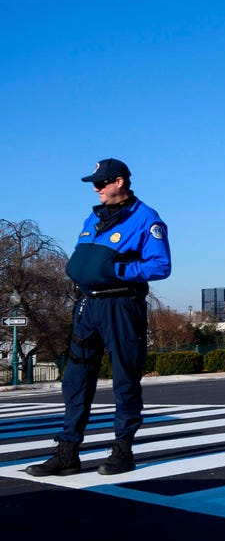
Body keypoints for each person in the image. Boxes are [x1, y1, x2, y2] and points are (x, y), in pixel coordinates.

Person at [26, 159, 171, 477]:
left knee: (124, 379)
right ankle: (67, 452)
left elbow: (160, 266)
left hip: (121, 305)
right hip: (87, 305)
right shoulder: (93, 217)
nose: (96, 188)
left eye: (101, 182)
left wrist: (118, 271)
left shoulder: (147, 219)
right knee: (75, 380)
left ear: (119, 182)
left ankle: (123, 450)